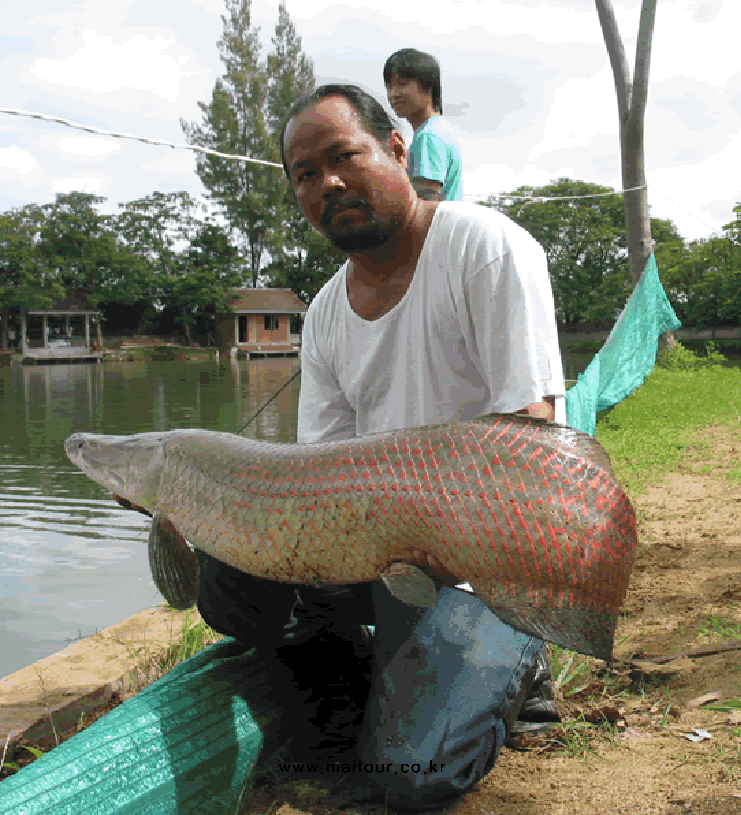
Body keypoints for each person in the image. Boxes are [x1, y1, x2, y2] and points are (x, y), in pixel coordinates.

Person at [196, 84, 565, 811]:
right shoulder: (328, 309)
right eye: (304, 173)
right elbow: (320, 471)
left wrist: (433, 533)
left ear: (395, 148)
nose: (326, 183)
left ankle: (522, 665)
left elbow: (530, 437)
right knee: (225, 571)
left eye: (343, 157)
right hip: (383, 550)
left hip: (488, 558)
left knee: (410, 775)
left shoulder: (482, 246)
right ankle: (365, 671)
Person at [383, 48, 463, 201]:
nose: (394, 94)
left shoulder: (429, 136)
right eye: (389, 87)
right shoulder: (440, 128)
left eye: (402, 84)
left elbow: (428, 202)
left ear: (428, 86)